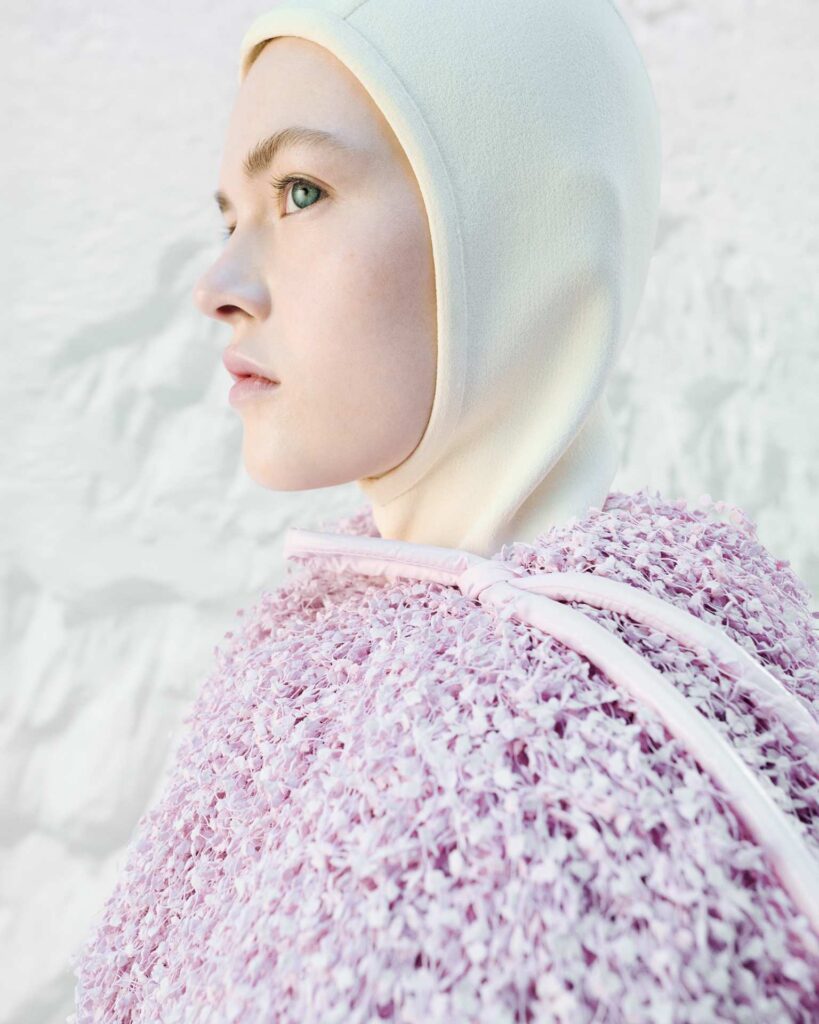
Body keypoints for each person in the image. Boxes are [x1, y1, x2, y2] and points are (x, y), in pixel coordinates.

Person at [69, 1, 819, 1021]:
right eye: (229, 216)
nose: (220, 283)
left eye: (301, 191)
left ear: (515, 227)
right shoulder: (302, 651)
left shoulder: (601, 761)